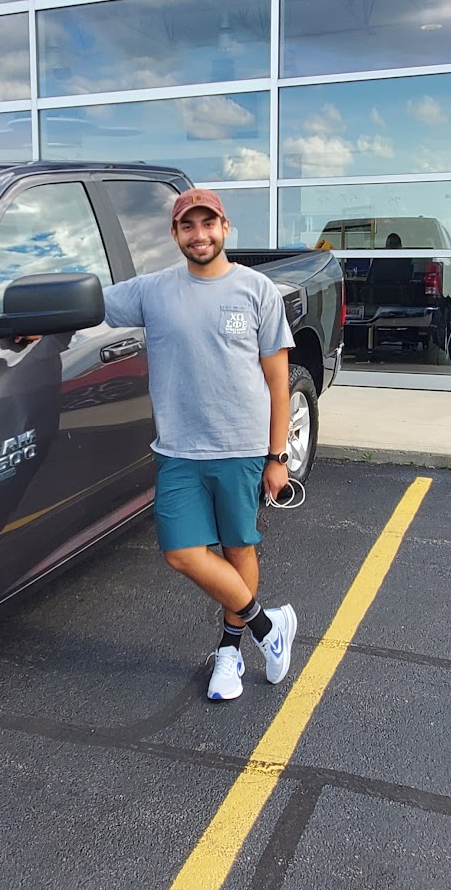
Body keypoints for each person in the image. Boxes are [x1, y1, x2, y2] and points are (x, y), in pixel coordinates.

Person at [102, 188, 299, 702]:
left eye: (208, 223)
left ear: (225, 228)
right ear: (175, 234)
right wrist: (35, 327)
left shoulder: (257, 290)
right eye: (187, 226)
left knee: (238, 548)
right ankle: (268, 627)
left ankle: (230, 651)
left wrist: (277, 457)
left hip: (241, 447)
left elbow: (278, 382)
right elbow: (88, 306)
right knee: (182, 552)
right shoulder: (153, 291)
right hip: (179, 450)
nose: (199, 234)